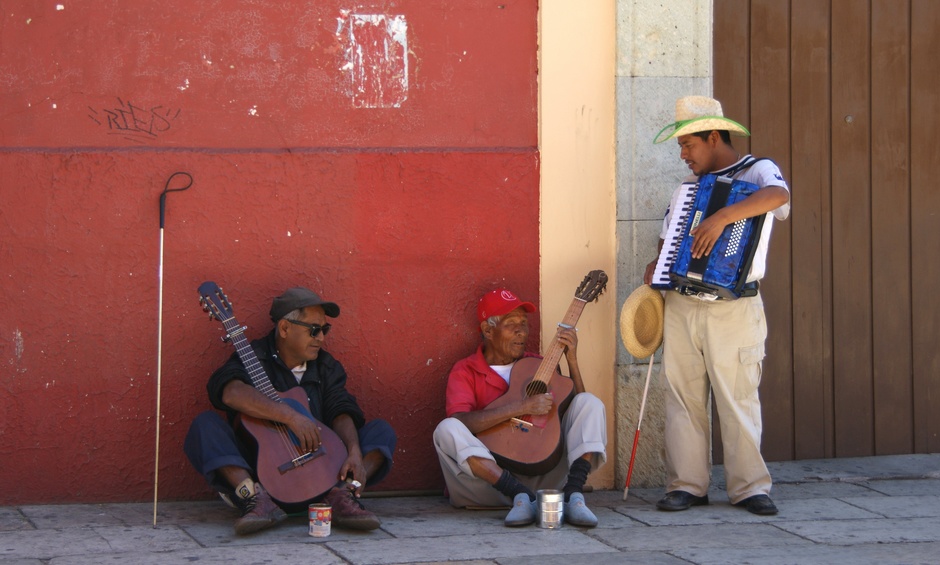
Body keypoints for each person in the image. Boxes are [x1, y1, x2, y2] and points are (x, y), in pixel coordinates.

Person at [644, 95, 791, 516]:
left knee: (737, 395)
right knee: (683, 396)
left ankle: (749, 487)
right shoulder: (685, 190)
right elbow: (668, 240)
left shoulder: (758, 170)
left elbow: (778, 196)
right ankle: (687, 484)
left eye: (688, 144)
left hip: (734, 306)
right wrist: (657, 265)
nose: (683, 155)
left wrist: (721, 217)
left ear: (713, 136)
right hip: (683, 305)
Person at [184, 286, 397, 535]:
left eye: (325, 329)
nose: (321, 338)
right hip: (266, 477)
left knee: (381, 431)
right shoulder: (252, 355)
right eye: (314, 330)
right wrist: (290, 416)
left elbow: (341, 408)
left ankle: (342, 497)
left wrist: (353, 451)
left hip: (326, 472)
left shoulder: (326, 366)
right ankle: (255, 499)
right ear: (285, 329)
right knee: (205, 425)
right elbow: (230, 392)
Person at [433, 288, 607, 527]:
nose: (521, 332)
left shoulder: (537, 365)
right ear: (487, 330)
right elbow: (462, 422)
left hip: (546, 481)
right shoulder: (465, 370)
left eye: (524, 324)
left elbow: (575, 408)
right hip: (489, 486)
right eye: (511, 324)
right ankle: (518, 495)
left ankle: (573, 496)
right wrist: (521, 407)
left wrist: (572, 359)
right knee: (446, 428)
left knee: (589, 403)